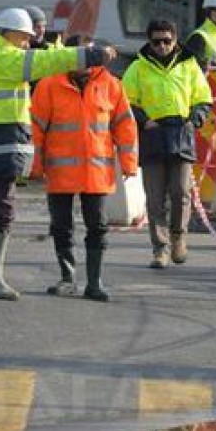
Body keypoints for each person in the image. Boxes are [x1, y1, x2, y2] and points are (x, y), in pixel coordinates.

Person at [0, 7, 117, 301]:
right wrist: (90, 55)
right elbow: (48, 61)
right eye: (25, 37)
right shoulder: (3, 57)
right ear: (10, 33)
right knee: (4, 211)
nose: (27, 43)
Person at [30, 35, 138, 302]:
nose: (82, 61)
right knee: (61, 226)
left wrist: (129, 163)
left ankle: (94, 282)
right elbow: (35, 129)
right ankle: (68, 278)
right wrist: (34, 166)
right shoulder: (49, 85)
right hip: (60, 172)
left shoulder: (111, 85)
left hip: (96, 172)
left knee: (98, 226)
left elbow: (125, 126)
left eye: (87, 55)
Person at [122, 18, 212, 269]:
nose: (162, 46)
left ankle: (178, 240)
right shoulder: (137, 69)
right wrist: (144, 120)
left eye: (167, 41)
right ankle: (160, 249)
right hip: (153, 136)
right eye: (156, 41)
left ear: (175, 40)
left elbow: (203, 99)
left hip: (181, 134)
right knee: (155, 198)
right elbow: (126, 102)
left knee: (181, 192)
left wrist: (196, 119)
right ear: (149, 42)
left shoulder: (189, 65)